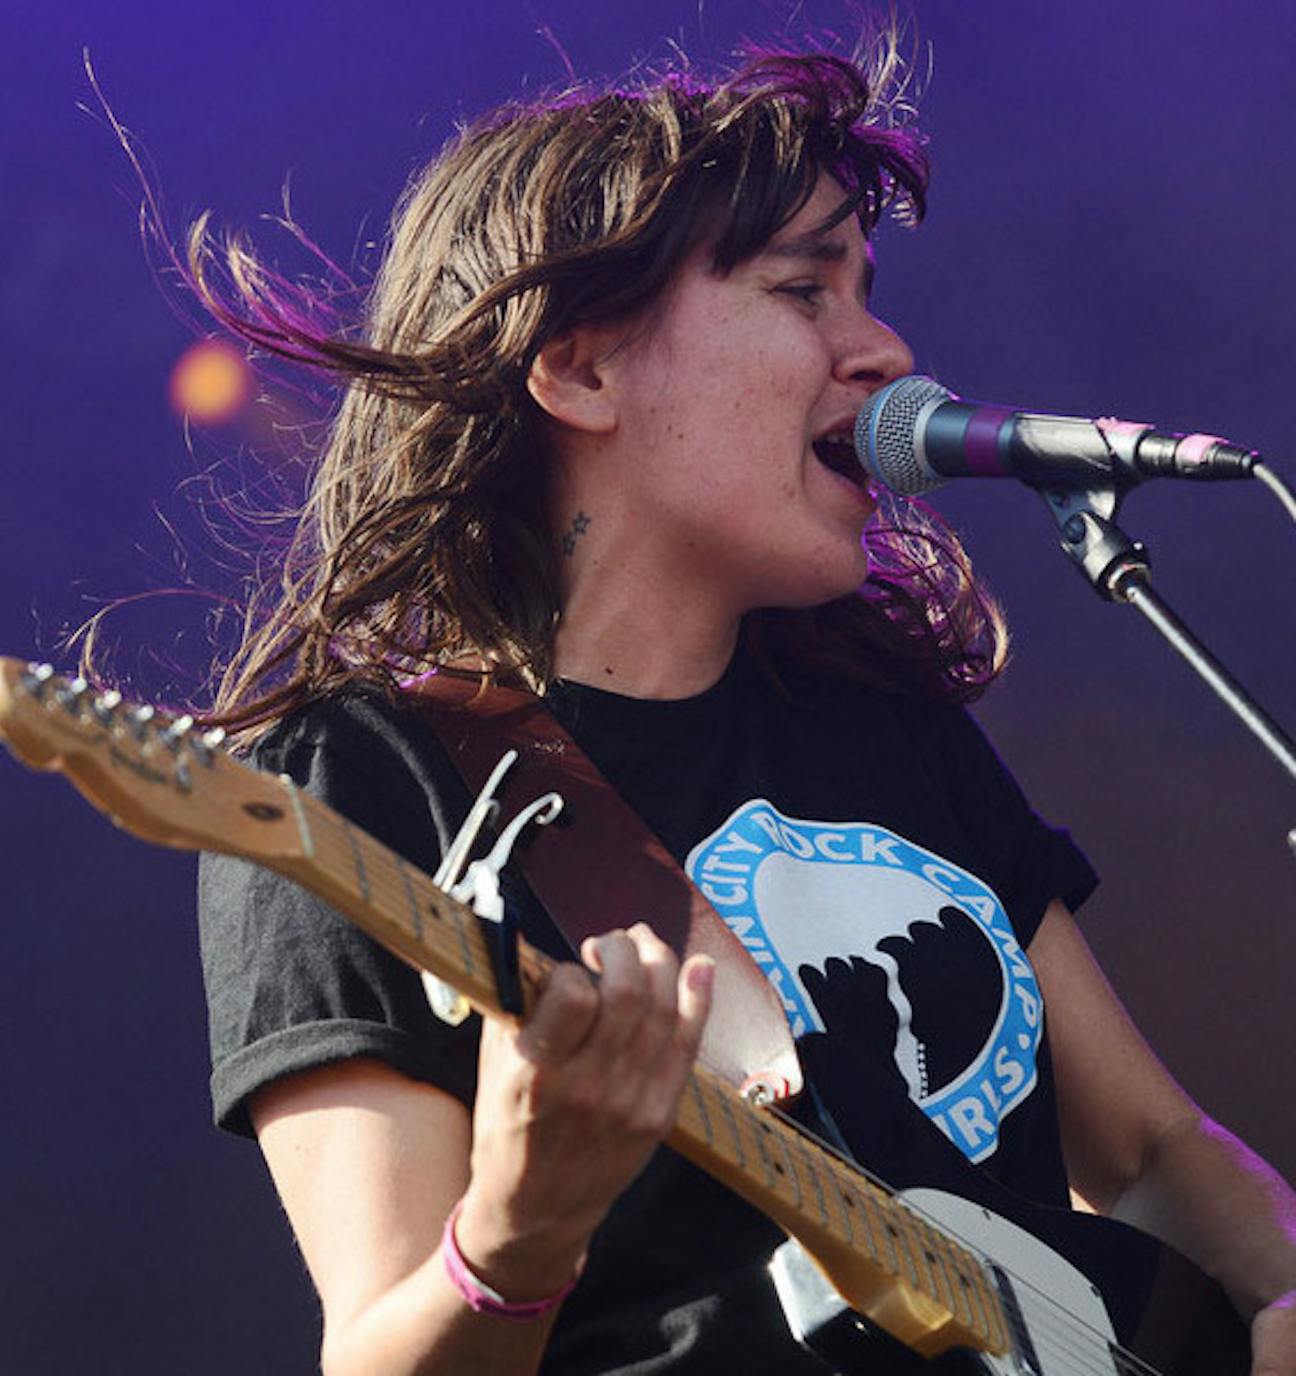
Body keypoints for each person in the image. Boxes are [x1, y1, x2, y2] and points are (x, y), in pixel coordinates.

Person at [182, 37, 1296, 1376]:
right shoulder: (360, 785)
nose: (883, 349)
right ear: (580, 370)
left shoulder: (887, 731)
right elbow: (373, 1352)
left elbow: (1150, 1151)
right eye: (800, 289)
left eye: (867, 293)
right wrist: (517, 1236)